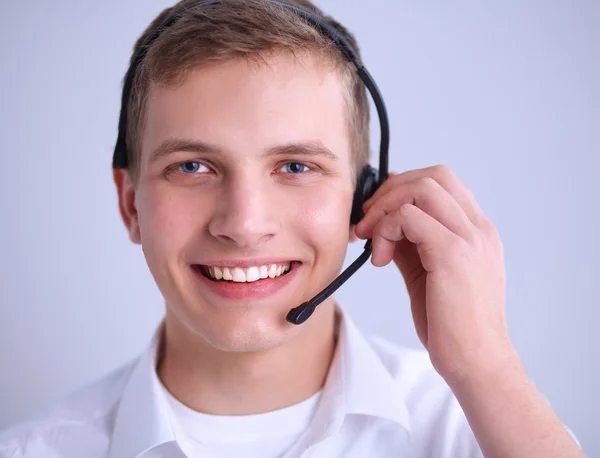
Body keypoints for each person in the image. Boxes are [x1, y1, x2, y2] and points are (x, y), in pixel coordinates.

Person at [0, 0, 584, 457]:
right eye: (192, 167)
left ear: (365, 198)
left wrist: (487, 368)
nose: (245, 225)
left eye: (296, 167)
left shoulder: (481, 429)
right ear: (130, 205)